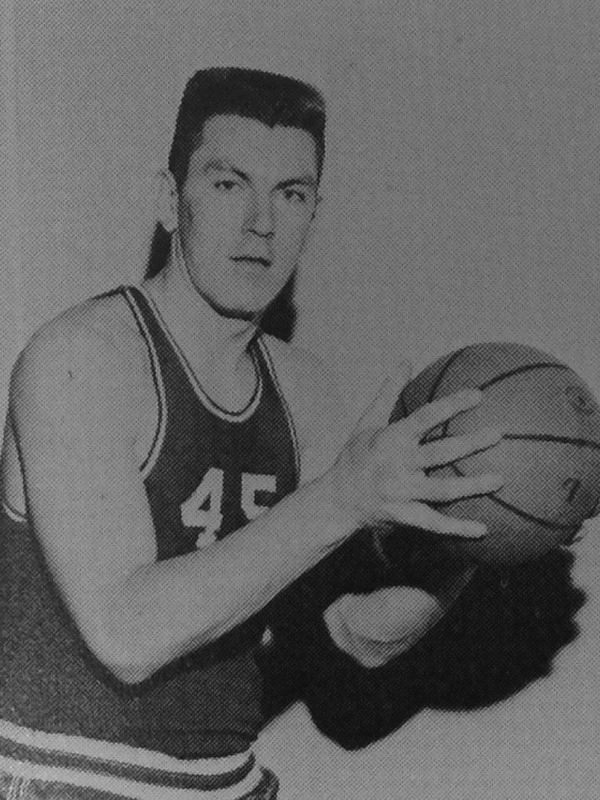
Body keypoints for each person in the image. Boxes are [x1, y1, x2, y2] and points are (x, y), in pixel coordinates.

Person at [0, 67, 503, 800]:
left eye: (291, 194)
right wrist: (341, 499)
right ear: (170, 200)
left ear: (312, 215)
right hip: (66, 775)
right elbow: (124, 633)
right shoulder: (82, 358)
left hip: (227, 782)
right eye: (229, 184)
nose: (261, 223)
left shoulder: (304, 392)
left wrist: (475, 529)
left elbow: (359, 632)